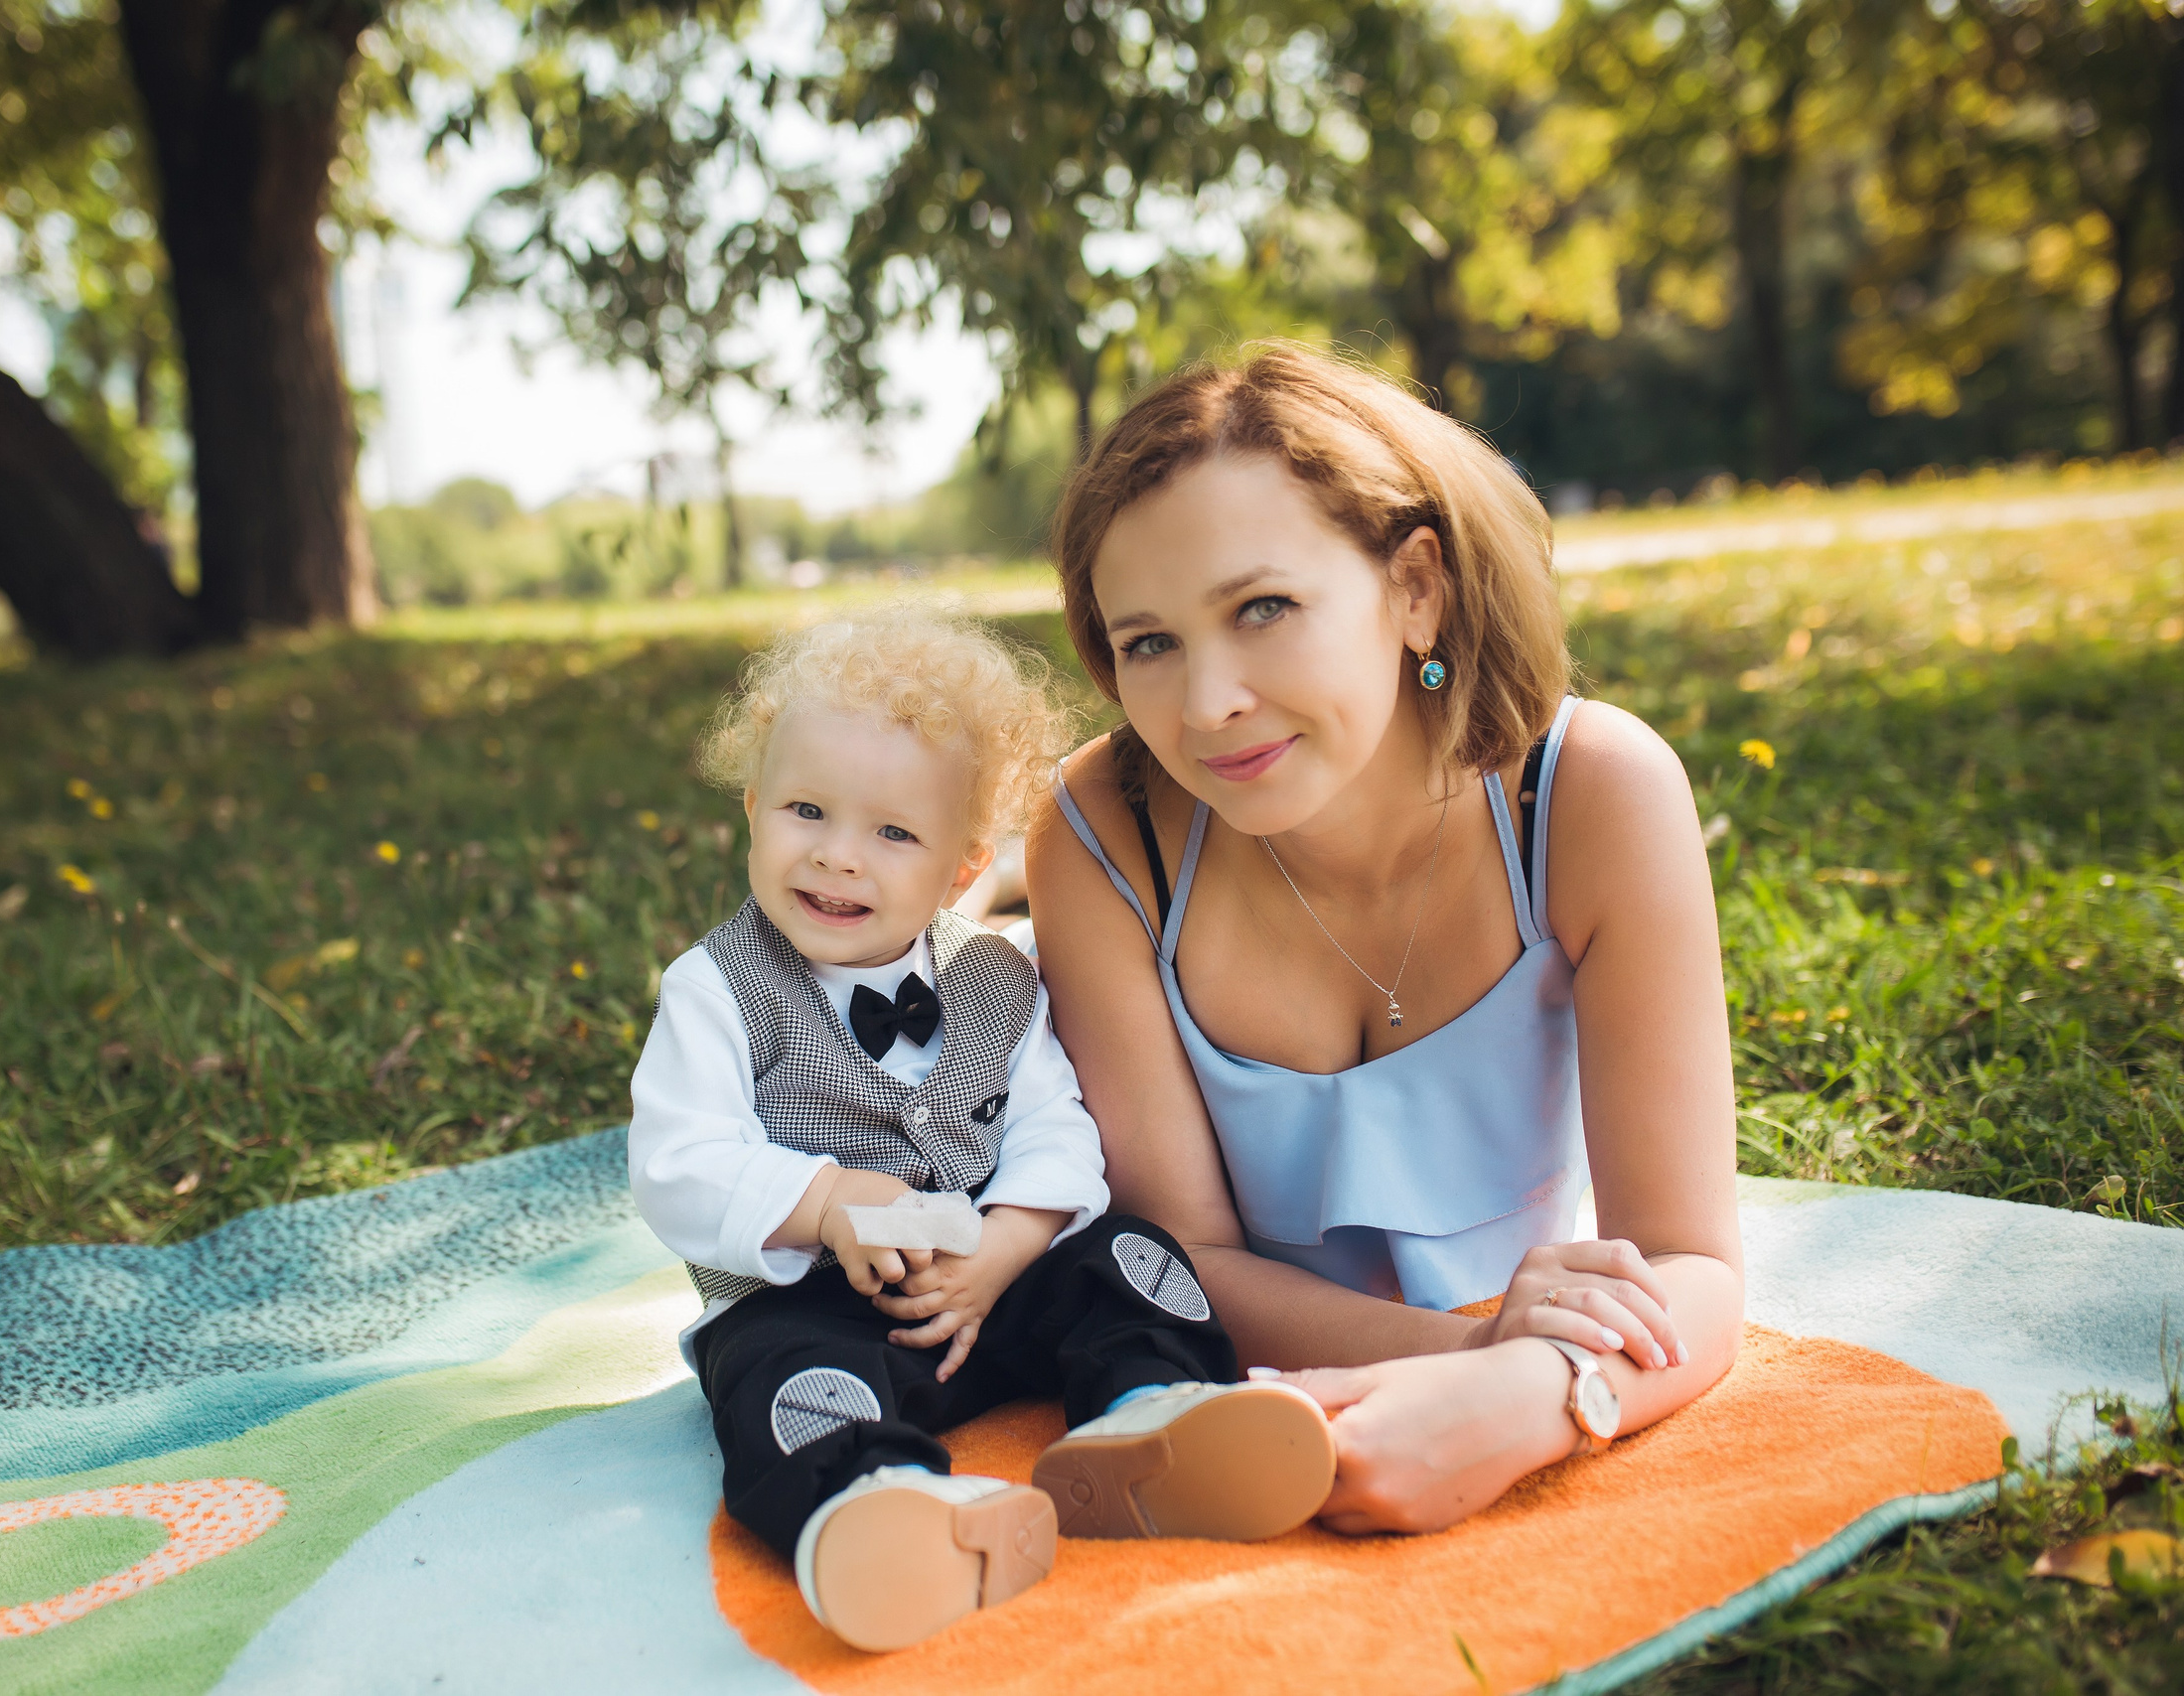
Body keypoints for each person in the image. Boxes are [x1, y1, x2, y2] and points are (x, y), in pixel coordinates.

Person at [1028, 343, 1746, 1535]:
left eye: (1262, 608)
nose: (1206, 706)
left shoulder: (1587, 796)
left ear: (1415, 586)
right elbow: (1177, 1257)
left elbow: (1692, 1266)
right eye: (1148, 642)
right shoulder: (1105, 834)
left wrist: (1533, 1398)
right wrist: (1457, 1358)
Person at [628, 612, 1336, 1653]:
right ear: (751, 808)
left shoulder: (997, 975)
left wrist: (1007, 1245)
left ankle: (1152, 1416)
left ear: (962, 869)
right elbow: (676, 1167)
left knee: (1128, 1258)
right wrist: (825, 1204)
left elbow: (1059, 1129)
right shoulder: (719, 988)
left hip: (985, 1293)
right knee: (778, 1383)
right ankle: (886, 1507)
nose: (836, 856)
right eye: (805, 810)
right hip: (810, 1306)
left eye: (891, 832)